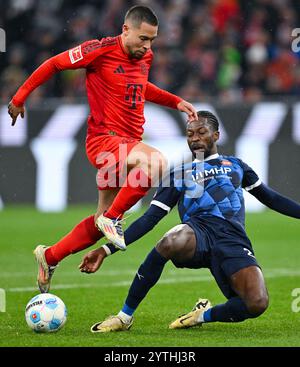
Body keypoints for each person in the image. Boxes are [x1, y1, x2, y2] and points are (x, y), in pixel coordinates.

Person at [7, 5, 198, 293]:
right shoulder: (99, 50)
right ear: (125, 29)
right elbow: (54, 64)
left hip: (127, 144)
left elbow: (140, 87)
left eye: (153, 40)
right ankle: (113, 219)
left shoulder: (144, 55)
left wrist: (176, 102)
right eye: (143, 38)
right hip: (105, 142)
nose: (148, 46)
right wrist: (20, 97)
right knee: (157, 162)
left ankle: (49, 257)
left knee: (99, 225)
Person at [79, 110, 300, 333]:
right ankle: (124, 317)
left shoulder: (236, 166)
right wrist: (106, 250)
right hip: (198, 234)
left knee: (256, 303)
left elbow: (271, 198)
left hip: (233, 239)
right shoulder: (179, 173)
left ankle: (200, 315)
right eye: (190, 134)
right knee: (171, 240)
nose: (194, 138)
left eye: (202, 132)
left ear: (216, 135)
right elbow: (150, 219)